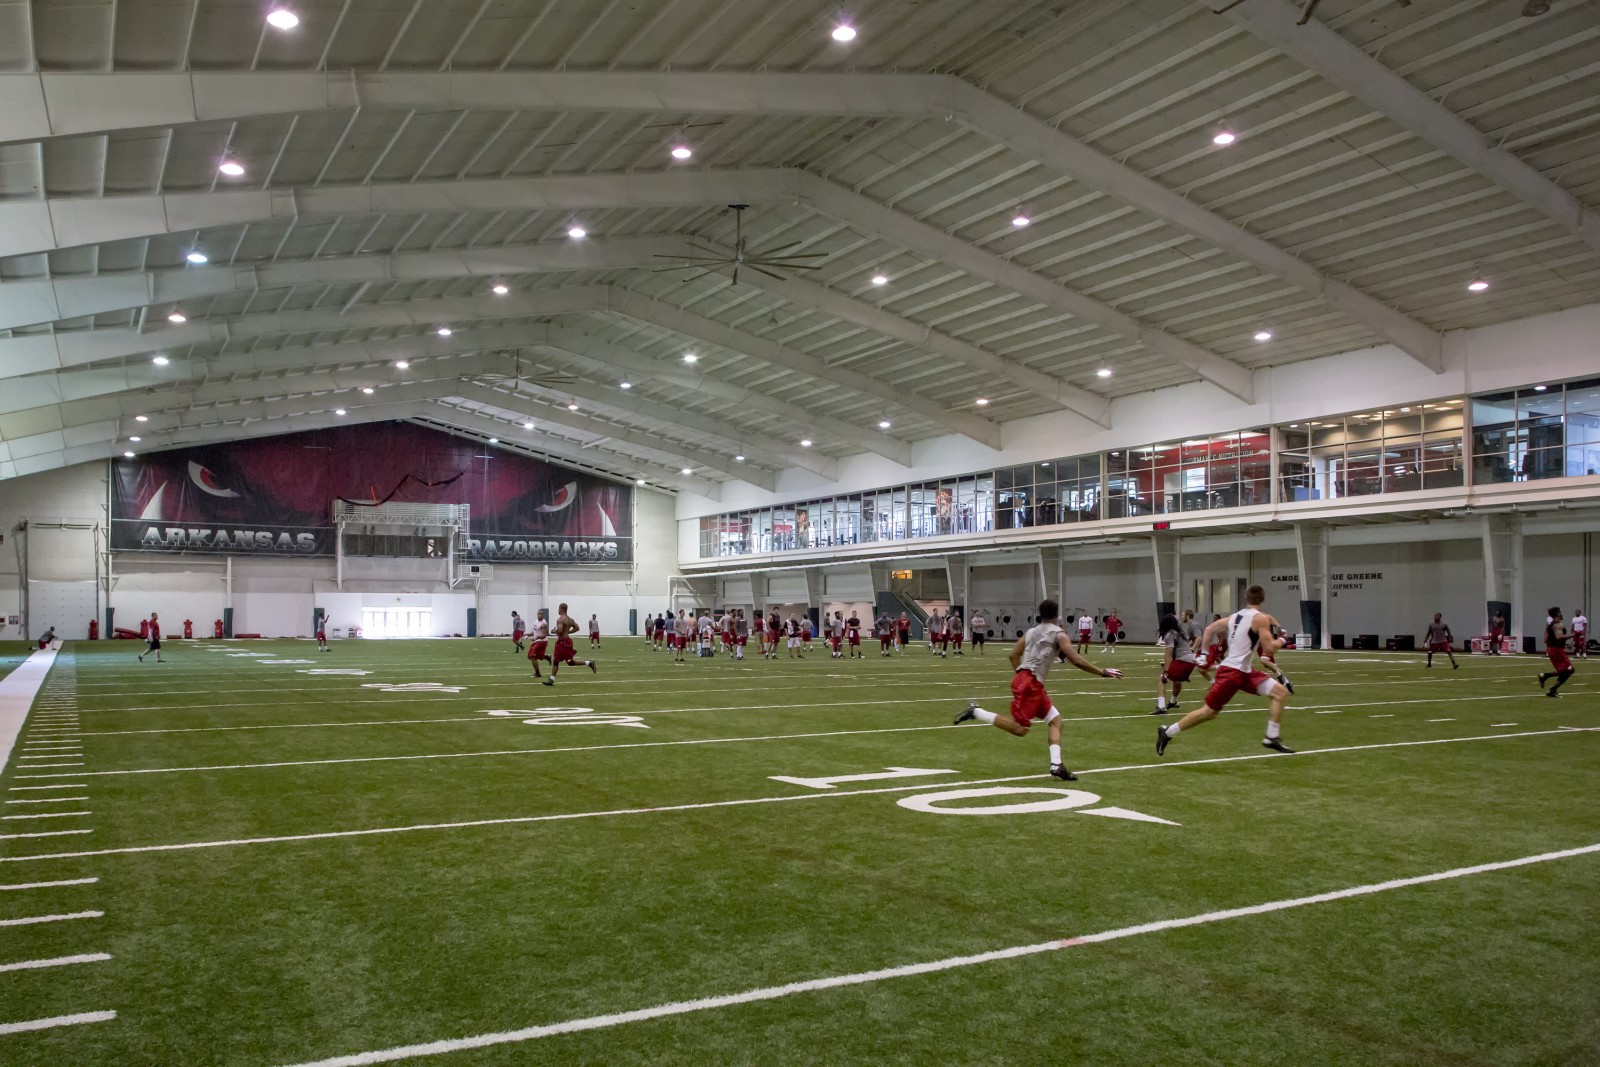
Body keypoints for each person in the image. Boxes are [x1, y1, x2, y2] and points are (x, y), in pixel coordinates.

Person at [954, 598, 1123, 781]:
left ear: (1040, 615)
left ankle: (1056, 764)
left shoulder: (1031, 631)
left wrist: (1022, 676)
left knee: (1056, 721)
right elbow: (1077, 660)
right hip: (1031, 683)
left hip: (1029, 681)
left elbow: (1013, 656)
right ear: (1057, 615)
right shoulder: (1059, 634)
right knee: (1020, 729)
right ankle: (976, 712)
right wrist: (1103, 672)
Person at [1157, 586, 1293, 756]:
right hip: (1233, 672)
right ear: (1263, 598)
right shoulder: (1260, 619)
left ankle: (1271, 737)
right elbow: (1270, 648)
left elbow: (1210, 629)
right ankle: (1167, 732)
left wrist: (1205, 653)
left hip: (1244, 672)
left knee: (1280, 692)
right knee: (1209, 712)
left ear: (1246, 598)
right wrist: (1283, 639)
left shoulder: (1236, 616)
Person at [543, 602, 596, 686]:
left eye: (559, 608)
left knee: (570, 662)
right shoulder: (570, 620)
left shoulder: (560, 619)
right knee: (555, 661)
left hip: (564, 642)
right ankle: (551, 680)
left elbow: (559, 631)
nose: (558, 610)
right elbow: (577, 628)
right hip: (564, 641)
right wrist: (568, 632)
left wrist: (553, 631)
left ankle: (589, 663)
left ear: (562, 609)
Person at [1155, 612, 1200, 714]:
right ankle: (1173, 702)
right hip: (1190, 661)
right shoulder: (1180, 633)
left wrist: (1166, 670)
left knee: (1161, 679)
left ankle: (1161, 706)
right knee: (1177, 681)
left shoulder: (1169, 634)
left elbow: (1168, 654)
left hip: (1183, 661)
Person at [1538, 607, 1576, 698]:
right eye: (1560, 612)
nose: (1562, 613)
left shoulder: (1551, 624)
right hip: (1556, 650)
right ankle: (1552, 689)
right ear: (1558, 613)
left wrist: (1564, 645)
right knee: (1570, 670)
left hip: (1553, 649)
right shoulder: (1558, 624)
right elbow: (1559, 637)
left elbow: (1547, 639)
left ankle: (1545, 677)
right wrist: (1573, 635)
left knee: (1563, 671)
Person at [527, 609, 552, 678]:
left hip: (542, 641)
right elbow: (534, 631)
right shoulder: (536, 621)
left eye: (541, 614)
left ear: (543, 615)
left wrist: (536, 637)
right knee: (529, 655)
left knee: (533, 656)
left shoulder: (544, 624)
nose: (539, 615)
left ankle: (538, 673)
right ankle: (546, 657)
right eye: (539, 614)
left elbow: (544, 635)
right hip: (537, 641)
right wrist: (528, 634)